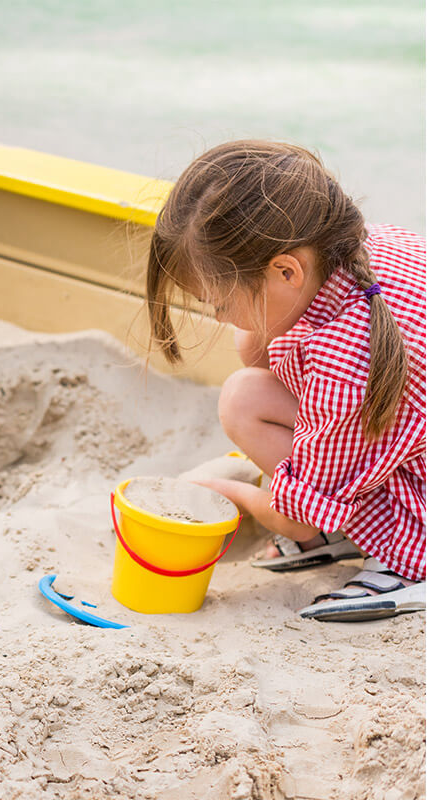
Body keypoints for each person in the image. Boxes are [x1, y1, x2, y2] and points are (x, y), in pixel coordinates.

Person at [147, 140, 424, 622]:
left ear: (286, 270)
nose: (217, 315)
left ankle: (406, 561)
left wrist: (222, 489)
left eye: (218, 302)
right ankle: (341, 517)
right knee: (249, 361)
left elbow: (292, 518)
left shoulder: (344, 358)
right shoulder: (372, 245)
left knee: (241, 399)